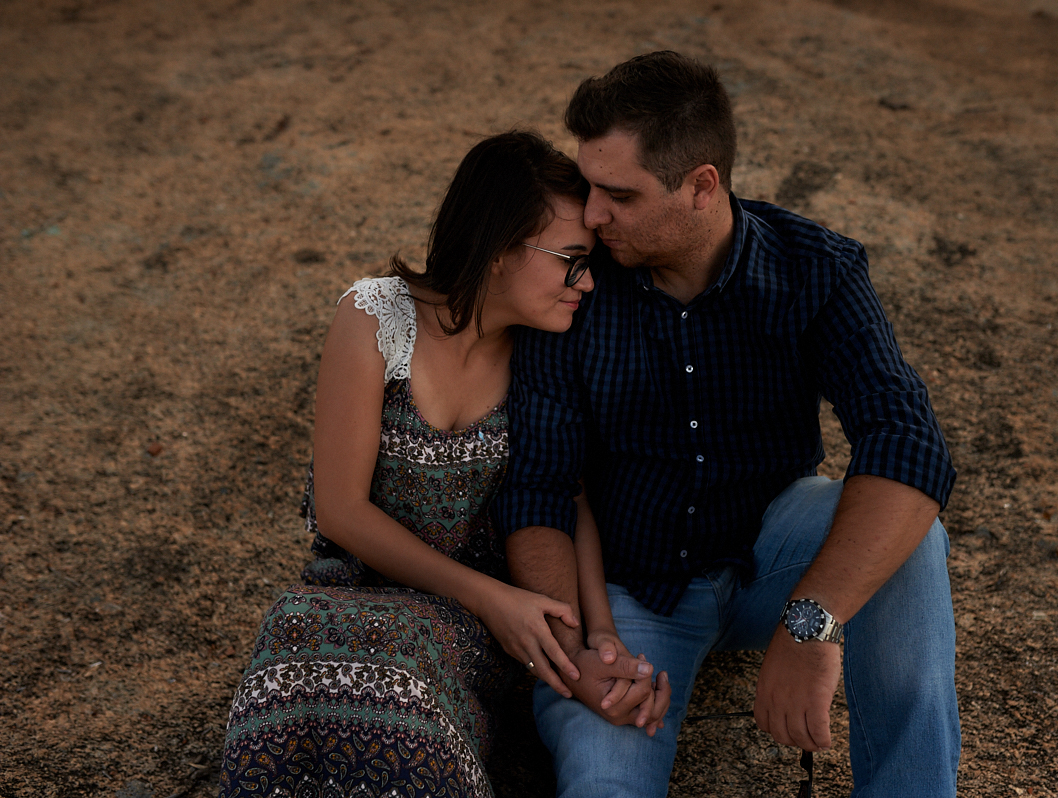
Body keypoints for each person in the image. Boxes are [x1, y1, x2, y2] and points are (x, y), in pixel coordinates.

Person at [494, 52, 961, 797]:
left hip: (770, 553)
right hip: (628, 592)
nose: (591, 215)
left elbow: (906, 441)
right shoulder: (575, 288)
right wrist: (579, 648)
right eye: (589, 188)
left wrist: (814, 622)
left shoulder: (818, 269)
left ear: (702, 185)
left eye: (619, 194)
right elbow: (538, 489)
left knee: (913, 539)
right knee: (603, 787)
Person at [218, 131, 668, 798]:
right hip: (353, 589)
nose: (589, 280)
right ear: (499, 248)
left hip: (475, 629)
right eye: (572, 260)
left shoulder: (546, 355)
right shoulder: (375, 317)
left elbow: (569, 502)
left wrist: (595, 638)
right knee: (296, 648)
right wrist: (491, 595)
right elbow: (341, 510)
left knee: (397, 687)